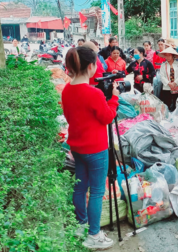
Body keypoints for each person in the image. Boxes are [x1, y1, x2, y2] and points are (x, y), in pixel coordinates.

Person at [62, 46, 118, 249]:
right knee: (96, 191)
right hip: (96, 150)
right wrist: (114, 99)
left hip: (77, 147)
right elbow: (107, 117)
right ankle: (94, 235)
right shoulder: (93, 94)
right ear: (91, 66)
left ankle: (81, 225)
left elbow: (70, 116)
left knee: (80, 186)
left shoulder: (67, 89)